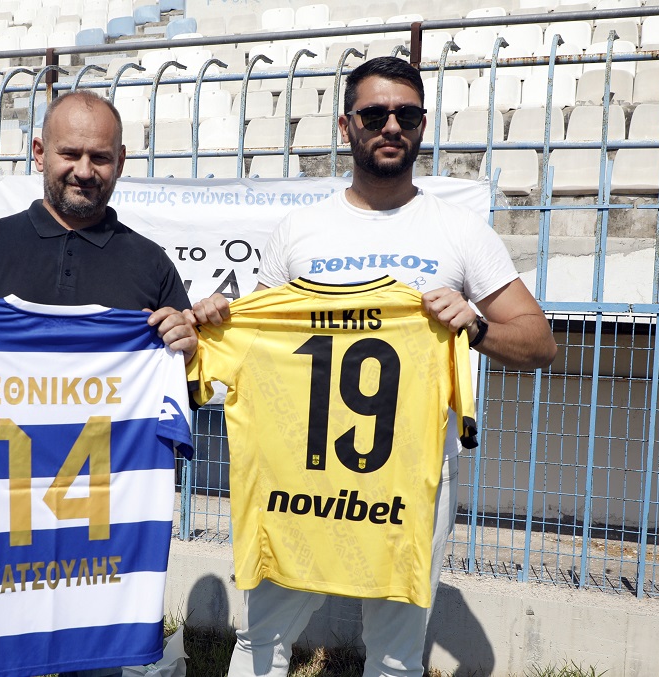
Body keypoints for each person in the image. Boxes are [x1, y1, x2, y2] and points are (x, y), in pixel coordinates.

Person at [191, 56, 557, 677]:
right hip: (299, 474)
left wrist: (476, 326)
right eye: (374, 114)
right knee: (261, 641)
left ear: (422, 126)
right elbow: (259, 340)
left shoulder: (460, 231)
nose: (391, 126)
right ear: (346, 126)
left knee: (395, 656)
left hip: (411, 476)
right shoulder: (299, 230)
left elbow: (540, 343)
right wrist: (216, 322)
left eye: (406, 115)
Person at [0, 90, 198, 677]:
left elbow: (184, 388)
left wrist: (185, 352)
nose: (84, 170)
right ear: (39, 152)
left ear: (121, 162)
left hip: (105, 530)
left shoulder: (150, 264)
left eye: (100, 157)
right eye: (70, 153)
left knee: (96, 666)